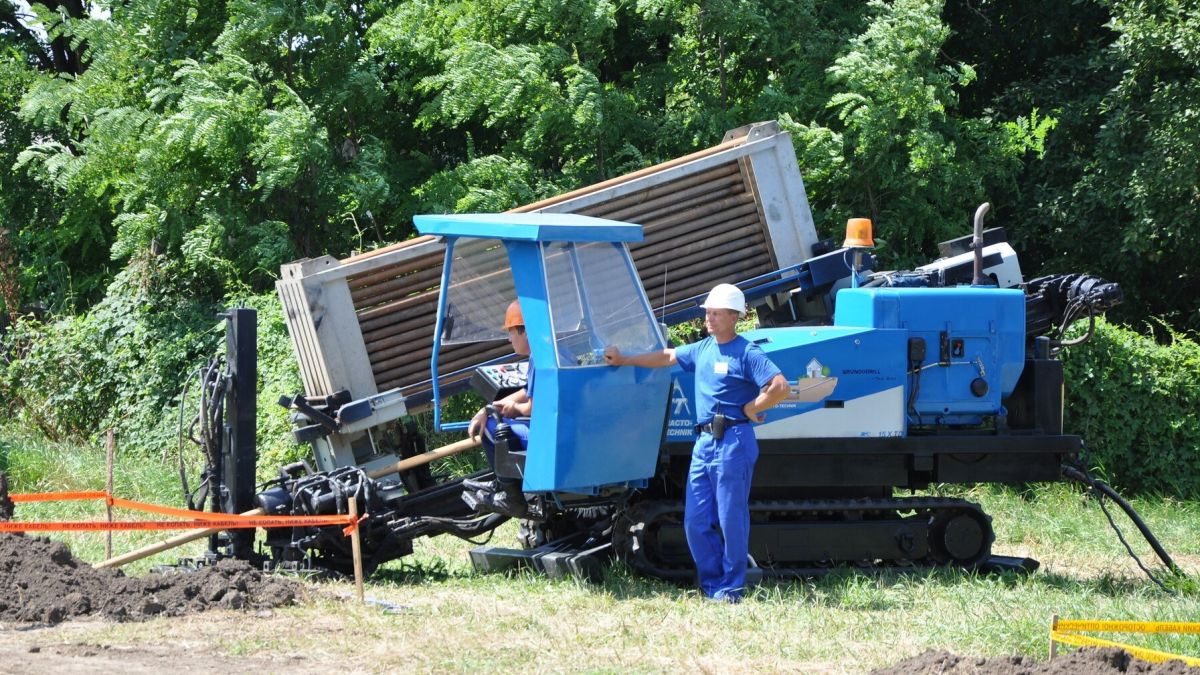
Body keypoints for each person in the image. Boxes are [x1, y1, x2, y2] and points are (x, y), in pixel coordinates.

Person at [604, 283, 789, 602]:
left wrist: (753, 408)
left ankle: (730, 588)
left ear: (734, 317)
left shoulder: (747, 352)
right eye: (708, 313)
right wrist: (625, 358)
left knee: (731, 519)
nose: (710, 318)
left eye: (717, 314)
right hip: (703, 442)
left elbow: (780, 386)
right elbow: (667, 356)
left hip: (734, 440)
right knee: (695, 520)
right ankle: (713, 582)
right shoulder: (703, 349)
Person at [461, 299, 533, 517]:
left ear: (526, 332)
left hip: (547, 436)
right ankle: (504, 484)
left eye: (512, 332)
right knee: (491, 416)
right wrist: (492, 406)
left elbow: (538, 405)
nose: (509, 338)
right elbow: (528, 391)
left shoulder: (540, 360)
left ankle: (512, 497)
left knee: (492, 428)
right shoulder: (545, 353)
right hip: (557, 429)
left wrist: (516, 410)